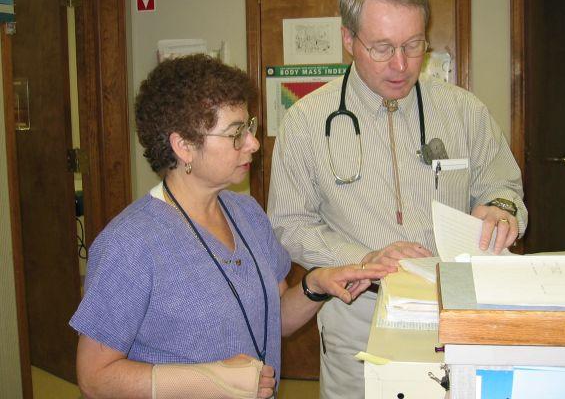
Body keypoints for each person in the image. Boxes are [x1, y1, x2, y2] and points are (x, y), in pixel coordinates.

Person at [268, 0, 528, 399]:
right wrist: (366, 257)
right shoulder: (306, 123)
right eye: (382, 47)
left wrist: (500, 208)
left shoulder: (464, 111)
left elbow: (504, 184)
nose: (402, 65)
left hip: (458, 311)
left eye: (414, 45)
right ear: (349, 40)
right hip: (357, 317)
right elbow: (290, 224)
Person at [69, 54, 389, 399]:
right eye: (236, 134)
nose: (253, 143)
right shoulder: (130, 244)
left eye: (248, 128)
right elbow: (94, 378)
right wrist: (210, 380)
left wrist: (317, 284)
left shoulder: (246, 213)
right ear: (184, 146)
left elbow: (272, 320)